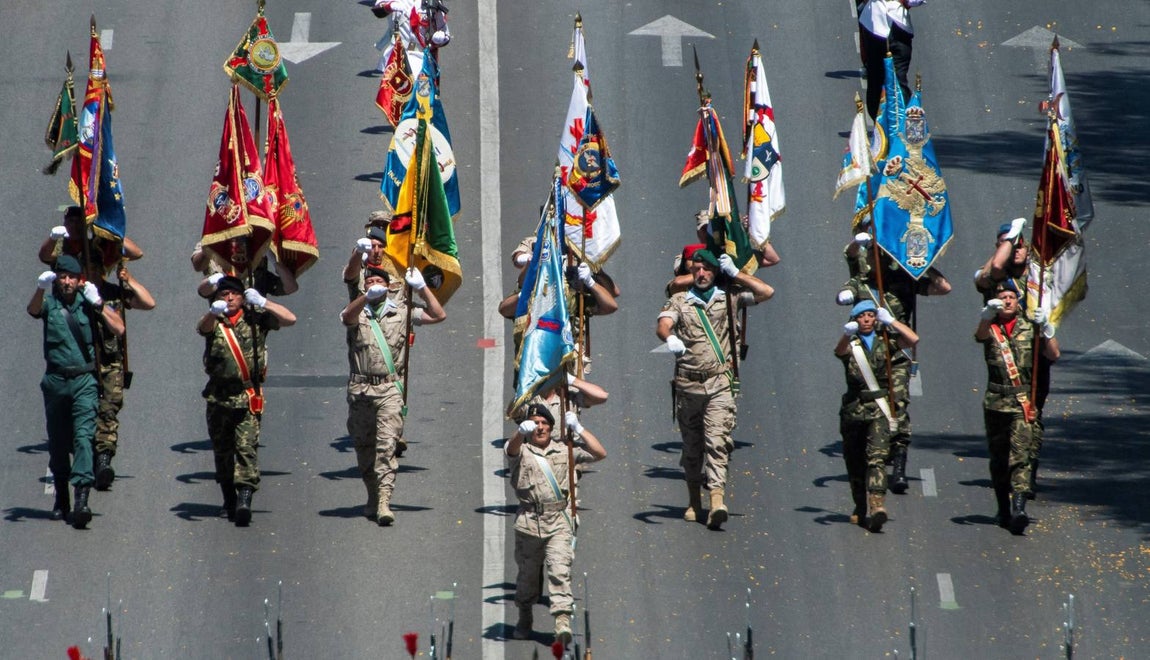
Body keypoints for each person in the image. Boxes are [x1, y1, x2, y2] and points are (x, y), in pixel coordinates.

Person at [655, 249, 774, 530]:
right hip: (688, 384)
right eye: (697, 269)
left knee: (717, 441)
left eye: (707, 269)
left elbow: (766, 291)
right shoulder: (680, 300)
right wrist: (669, 338)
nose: (702, 274)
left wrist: (736, 274)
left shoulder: (730, 296)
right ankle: (694, 501)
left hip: (720, 383)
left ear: (715, 271)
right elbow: (663, 324)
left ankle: (717, 500)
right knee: (692, 446)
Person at [835, 230, 950, 493]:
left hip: (894, 350)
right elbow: (848, 266)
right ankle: (872, 452)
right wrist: (859, 242)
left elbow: (944, 288)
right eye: (874, 254)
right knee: (866, 401)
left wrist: (923, 263)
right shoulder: (862, 280)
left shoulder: (904, 278)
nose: (878, 260)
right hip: (865, 351)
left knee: (896, 405)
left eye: (883, 255)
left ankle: (898, 466)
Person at [340, 264, 445, 525]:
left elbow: (438, 315)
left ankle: (385, 501)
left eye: (379, 281)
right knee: (364, 447)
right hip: (360, 389)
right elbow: (346, 317)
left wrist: (421, 288)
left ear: (389, 287)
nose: (374, 283)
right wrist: (366, 297)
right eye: (370, 280)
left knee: (386, 447)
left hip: (389, 389)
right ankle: (373, 496)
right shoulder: (359, 312)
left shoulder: (403, 312)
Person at [27, 255, 125, 528]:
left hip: (84, 379)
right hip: (56, 381)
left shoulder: (88, 301)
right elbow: (33, 310)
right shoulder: (50, 302)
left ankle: (81, 499)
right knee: (58, 442)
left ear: (80, 278)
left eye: (71, 277)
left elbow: (118, 328)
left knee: (83, 437)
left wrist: (99, 303)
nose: (67, 282)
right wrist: (39, 287)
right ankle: (62, 496)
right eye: (62, 277)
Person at [197, 276, 296, 526]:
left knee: (246, 448)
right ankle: (228, 498)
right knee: (222, 451)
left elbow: (289, 319)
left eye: (233, 294)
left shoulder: (255, 319)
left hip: (247, 394)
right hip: (218, 396)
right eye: (223, 295)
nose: (229, 299)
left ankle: (244, 499)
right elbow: (202, 328)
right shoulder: (215, 320)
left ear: (242, 297)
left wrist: (264, 302)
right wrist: (212, 312)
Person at [507, 405, 605, 644]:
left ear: (551, 427)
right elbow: (511, 449)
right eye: (535, 423)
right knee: (527, 577)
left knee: (560, 570)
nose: (539, 427)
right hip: (529, 522)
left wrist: (579, 429)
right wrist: (520, 433)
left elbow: (599, 453)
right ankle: (525, 615)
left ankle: (562, 621)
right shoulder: (522, 451)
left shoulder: (565, 449)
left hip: (558, 522)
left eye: (543, 423)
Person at [974, 218, 1052, 497]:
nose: (1017, 249)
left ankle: (1027, 470)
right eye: (1011, 245)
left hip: (1034, 348)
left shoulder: (1037, 275)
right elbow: (994, 267)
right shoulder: (996, 278)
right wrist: (1009, 237)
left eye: (1020, 244)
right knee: (1010, 415)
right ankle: (1016, 470)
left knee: (1034, 413)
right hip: (1006, 354)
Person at [975, 283, 1059, 534]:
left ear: (1018, 302)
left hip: (1022, 403)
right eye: (1002, 297)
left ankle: (1019, 508)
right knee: (999, 460)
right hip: (996, 401)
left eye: (1011, 297)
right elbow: (979, 337)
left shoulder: (1030, 327)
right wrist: (985, 316)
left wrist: (1046, 328)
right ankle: (1003, 508)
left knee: (1021, 457)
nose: (1007, 301)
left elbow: (1053, 354)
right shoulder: (991, 327)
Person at [835, 300, 919, 532]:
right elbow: (839, 352)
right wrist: (845, 334)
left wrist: (891, 321)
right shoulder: (851, 344)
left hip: (879, 408)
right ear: (855, 320)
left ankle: (877, 504)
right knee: (854, 461)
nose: (867, 320)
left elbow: (913, 340)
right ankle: (860, 505)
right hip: (854, 409)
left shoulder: (886, 341)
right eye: (862, 316)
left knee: (877, 458)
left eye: (871, 315)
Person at [84, 261, 157, 490]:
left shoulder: (112, 292)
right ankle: (87, 458)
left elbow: (148, 303)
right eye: (87, 268)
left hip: (110, 362)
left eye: (95, 268)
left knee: (108, 411)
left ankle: (104, 461)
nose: (92, 272)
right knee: (85, 413)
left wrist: (129, 280)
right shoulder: (77, 293)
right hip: (83, 363)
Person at [857, 0, 925, 119]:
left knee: (899, 80)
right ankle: (878, 126)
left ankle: (903, 124)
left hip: (898, 28)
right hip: (874, 24)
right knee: (875, 79)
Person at [39, 205, 143, 272]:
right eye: (71, 221)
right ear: (64, 223)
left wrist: (109, 230)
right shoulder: (60, 245)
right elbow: (45, 256)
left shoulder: (96, 246)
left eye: (79, 222)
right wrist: (53, 238)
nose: (74, 226)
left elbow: (136, 253)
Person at [372, 0, 450, 74]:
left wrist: (439, 39)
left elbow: (445, 34)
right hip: (398, 56)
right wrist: (389, 7)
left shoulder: (433, 2)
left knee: (425, 86)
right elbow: (377, 10)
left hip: (422, 57)